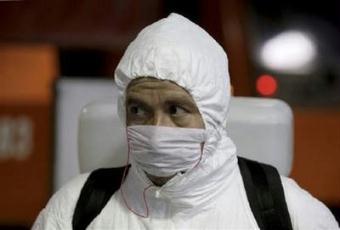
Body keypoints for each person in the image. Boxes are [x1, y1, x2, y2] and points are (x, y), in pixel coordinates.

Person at [32, 13, 339, 229]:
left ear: (213, 113)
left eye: (176, 109)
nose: (156, 129)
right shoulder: (75, 209)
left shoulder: (287, 214)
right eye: (138, 110)